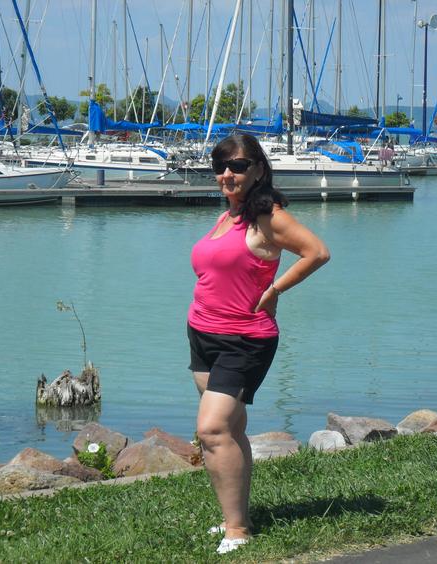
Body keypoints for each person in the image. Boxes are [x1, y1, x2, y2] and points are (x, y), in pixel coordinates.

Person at [187, 133, 330, 554]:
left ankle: (238, 532)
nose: (227, 174)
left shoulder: (269, 217)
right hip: (203, 334)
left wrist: (275, 290)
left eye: (237, 166)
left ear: (259, 170)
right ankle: (235, 516)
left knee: (211, 429)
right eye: (220, 167)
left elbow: (317, 252)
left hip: (244, 339)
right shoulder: (229, 214)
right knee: (230, 429)